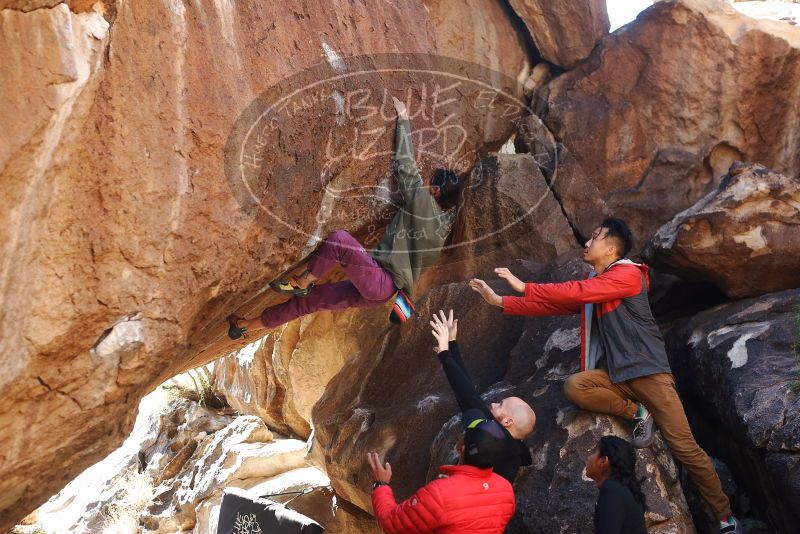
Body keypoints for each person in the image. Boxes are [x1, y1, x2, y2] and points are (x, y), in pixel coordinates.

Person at [468, 218, 741, 534]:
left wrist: (525, 285)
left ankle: (725, 518)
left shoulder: (627, 274)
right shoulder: (597, 284)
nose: (587, 242)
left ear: (611, 248)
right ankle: (639, 413)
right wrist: (501, 301)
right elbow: (557, 303)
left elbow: (578, 291)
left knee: (686, 450)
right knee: (576, 386)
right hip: (617, 376)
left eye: (595, 237)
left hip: (650, 374)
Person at [226, 96, 463, 339]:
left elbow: (406, 167)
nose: (424, 183)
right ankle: (244, 325)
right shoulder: (441, 231)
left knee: (340, 241)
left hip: (379, 280)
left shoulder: (424, 204)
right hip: (379, 290)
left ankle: (304, 280)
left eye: (429, 181)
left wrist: (403, 119)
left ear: (435, 191)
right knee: (311, 302)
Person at [429, 309, 534, 483]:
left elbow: (468, 397)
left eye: (500, 404)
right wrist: (452, 345)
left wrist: (445, 354)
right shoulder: (510, 449)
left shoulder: (496, 437)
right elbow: (469, 395)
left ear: (507, 422)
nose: (492, 404)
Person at [366, 414, 516, 534]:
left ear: (462, 447)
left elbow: (391, 525)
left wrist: (380, 484)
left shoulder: (440, 494)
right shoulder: (506, 491)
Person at [586, 436, 647, 534]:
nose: (589, 457)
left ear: (603, 461)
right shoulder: (621, 490)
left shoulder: (612, 490)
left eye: (594, 452)